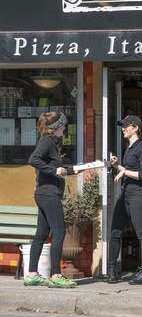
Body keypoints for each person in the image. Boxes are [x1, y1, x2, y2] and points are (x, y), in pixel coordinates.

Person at [26, 111, 78, 288]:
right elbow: (33, 159)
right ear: (56, 127)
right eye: (63, 124)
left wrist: (73, 170)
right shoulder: (47, 142)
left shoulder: (51, 142)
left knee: (41, 234)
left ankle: (32, 274)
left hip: (44, 193)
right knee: (59, 232)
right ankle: (56, 274)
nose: (65, 127)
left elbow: (56, 168)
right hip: (49, 194)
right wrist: (54, 171)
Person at [106, 115, 142, 285]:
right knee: (115, 232)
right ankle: (111, 270)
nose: (123, 129)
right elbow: (129, 171)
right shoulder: (130, 148)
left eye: (126, 126)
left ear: (135, 128)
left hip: (139, 196)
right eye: (122, 126)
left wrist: (124, 172)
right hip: (126, 194)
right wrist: (117, 166)